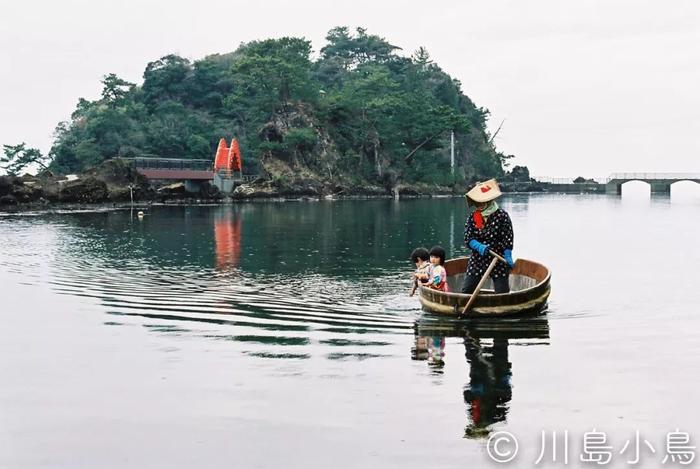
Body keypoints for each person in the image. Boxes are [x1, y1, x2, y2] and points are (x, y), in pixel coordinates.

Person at [461, 179, 515, 294]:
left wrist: (508, 255)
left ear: (489, 200)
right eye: (476, 202)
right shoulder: (473, 217)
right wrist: (479, 246)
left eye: (481, 202)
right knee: (466, 291)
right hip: (478, 258)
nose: (478, 205)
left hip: (498, 258)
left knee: (502, 293)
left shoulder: (502, 216)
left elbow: (508, 238)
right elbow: (468, 238)